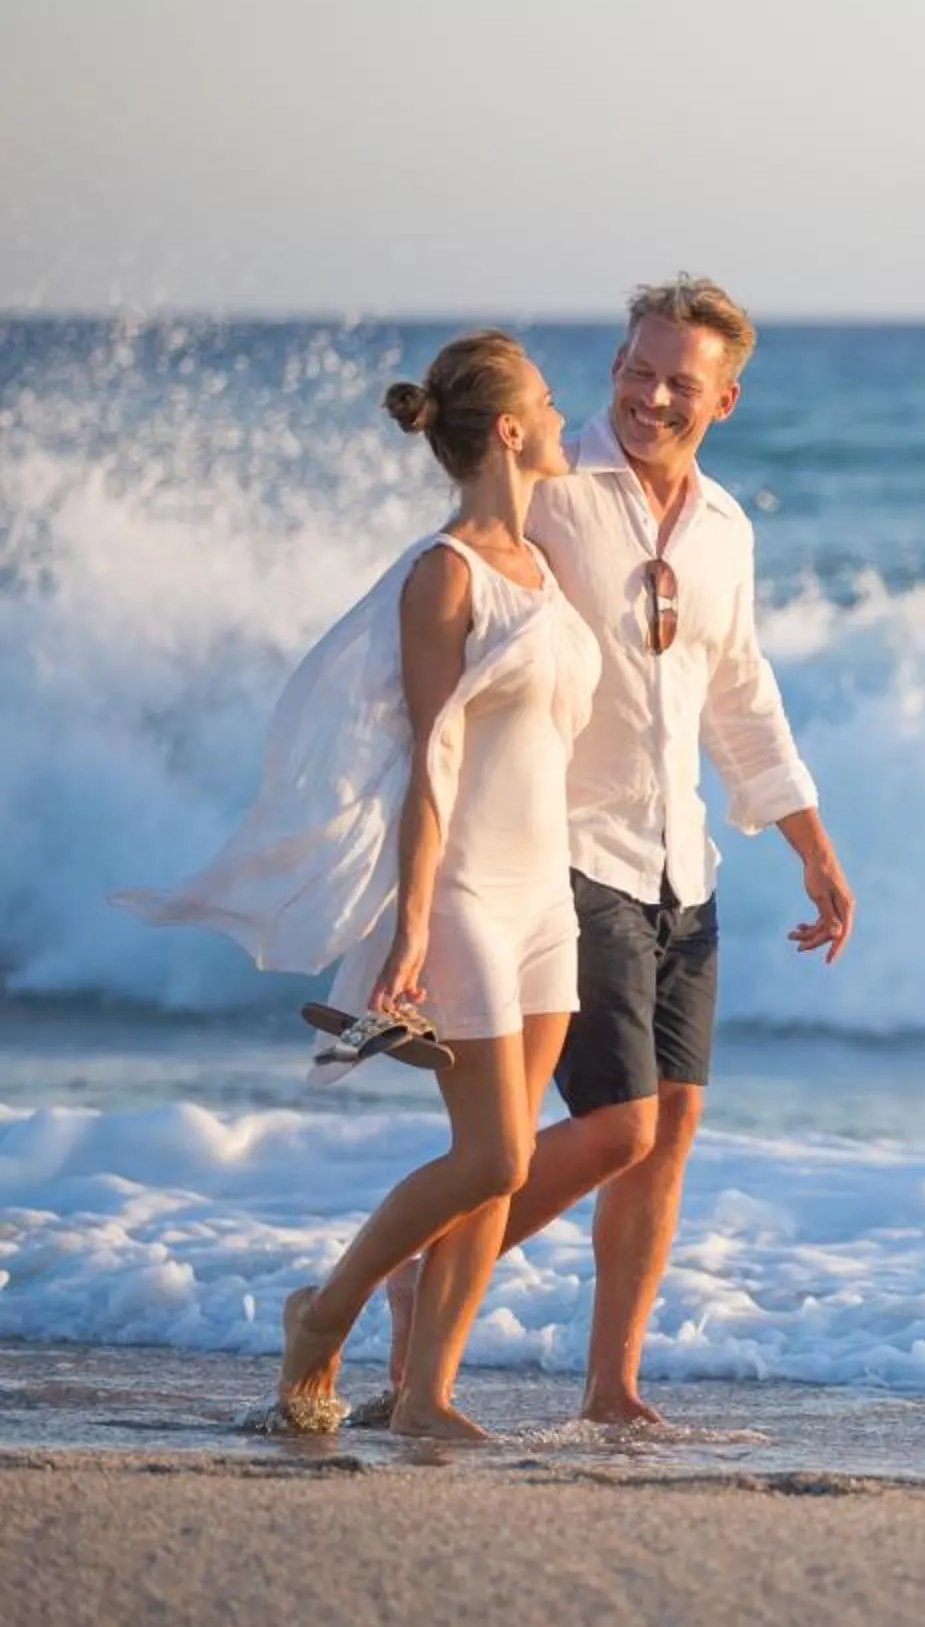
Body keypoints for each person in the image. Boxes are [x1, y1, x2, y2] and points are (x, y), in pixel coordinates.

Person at [348, 276, 852, 1429]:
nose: (650, 395)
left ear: (726, 397)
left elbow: (739, 690)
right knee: (602, 1126)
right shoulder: (559, 487)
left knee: (666, 1134)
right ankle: (417, 1284)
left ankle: (610, 1386)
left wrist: (811, 843)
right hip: (572, 855)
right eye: (636, 366)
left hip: (685, 865)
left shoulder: (728, 528)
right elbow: (464, 579)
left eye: (681, 379)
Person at [119, 332, 602, 1436]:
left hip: (546, 896)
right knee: (499, 1153)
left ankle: (426, 1394)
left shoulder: (548, 568)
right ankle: (321, 1313)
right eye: (547, 395)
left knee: (492, 1174)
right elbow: (431, 754)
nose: (563, 409)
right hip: (472, 891)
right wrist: (414, 922)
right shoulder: (447, 573)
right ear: (511, 431)